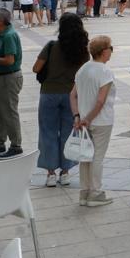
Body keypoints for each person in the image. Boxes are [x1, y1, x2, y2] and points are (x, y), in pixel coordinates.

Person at [33, 14, 90, 187]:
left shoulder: (51, 47)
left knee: (47, 132)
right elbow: (85, 73)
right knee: (68, 132)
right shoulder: (83, 51)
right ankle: (65, 172)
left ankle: (50, 174)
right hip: (72, 96)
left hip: (49, 93)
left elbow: (36, 68)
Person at [71, 35, 117, 206]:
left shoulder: (83, 69)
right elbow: (101, 100)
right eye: (110, 48)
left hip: (83, 120)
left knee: (85, 156)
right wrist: (89, 118)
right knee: (97, 157)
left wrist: (78, 117)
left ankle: (84, 193)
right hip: (101, 120)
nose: (111, 51)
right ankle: (96, 193)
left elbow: (72, 95)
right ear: (104, 51)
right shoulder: (105, 71)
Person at [0, 8, 25, 158]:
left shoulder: (9, 35)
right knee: (1, 110)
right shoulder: (2, 34)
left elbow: (9, 60)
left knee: (9, 110)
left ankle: (16, 145)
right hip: (2, 77)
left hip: (10, 77)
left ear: (1, 21)